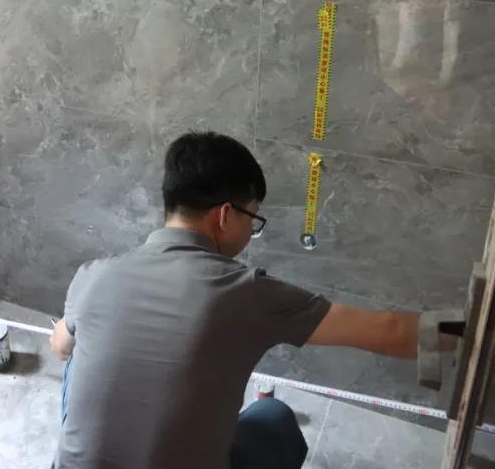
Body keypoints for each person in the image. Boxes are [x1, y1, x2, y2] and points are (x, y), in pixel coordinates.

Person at [49, 131, 421, 469]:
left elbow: (61, 347)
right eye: (253, 219)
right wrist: (458, 330)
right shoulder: (244, 292)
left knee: (79, 355)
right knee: (273, 416)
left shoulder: (94, 275)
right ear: (226, 215)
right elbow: (390, 330)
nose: (251, 230)